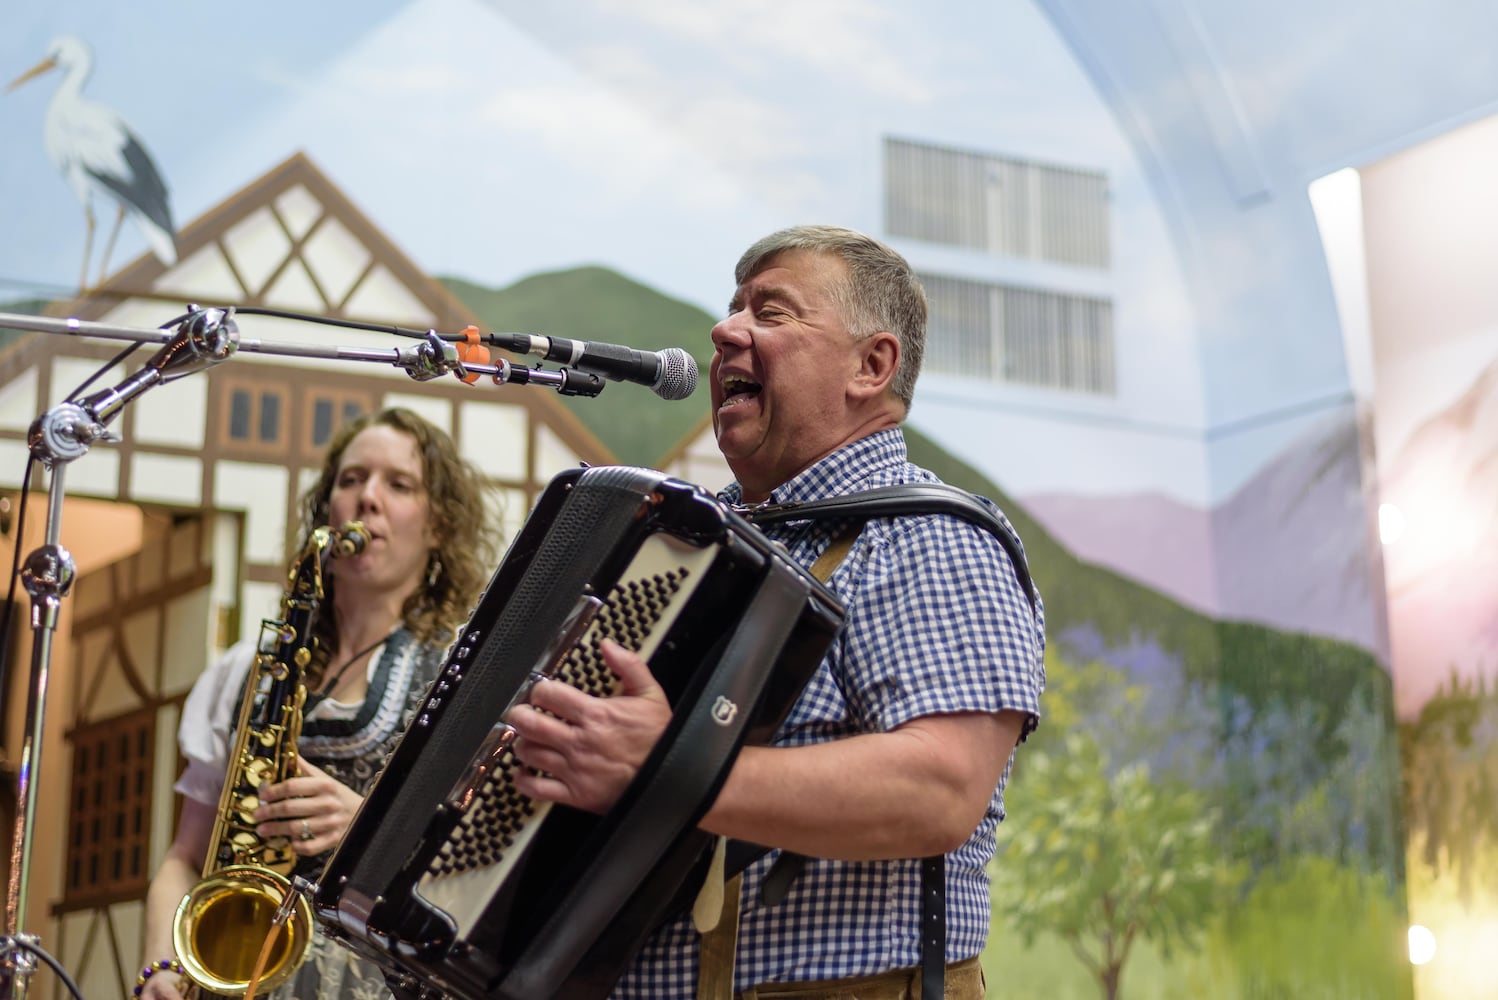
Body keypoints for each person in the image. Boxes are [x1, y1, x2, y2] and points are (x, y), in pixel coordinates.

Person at [507, 225, 1047, 999]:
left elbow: (940, 788)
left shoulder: (934, 537)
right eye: (733, 310)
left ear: (873, 365)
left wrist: (666, 771)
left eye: (772, 312)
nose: (725, 332)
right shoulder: (683, 544)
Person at [138, 406, 501, 1000]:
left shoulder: (465, 678)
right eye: (351, 479)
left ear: (438, 526)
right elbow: (183, 856)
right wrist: (161, 963)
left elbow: (480, 874)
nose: (368, 499)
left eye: (399, 484)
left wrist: (365, 826)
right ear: (326, 506)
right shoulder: (242, 672)